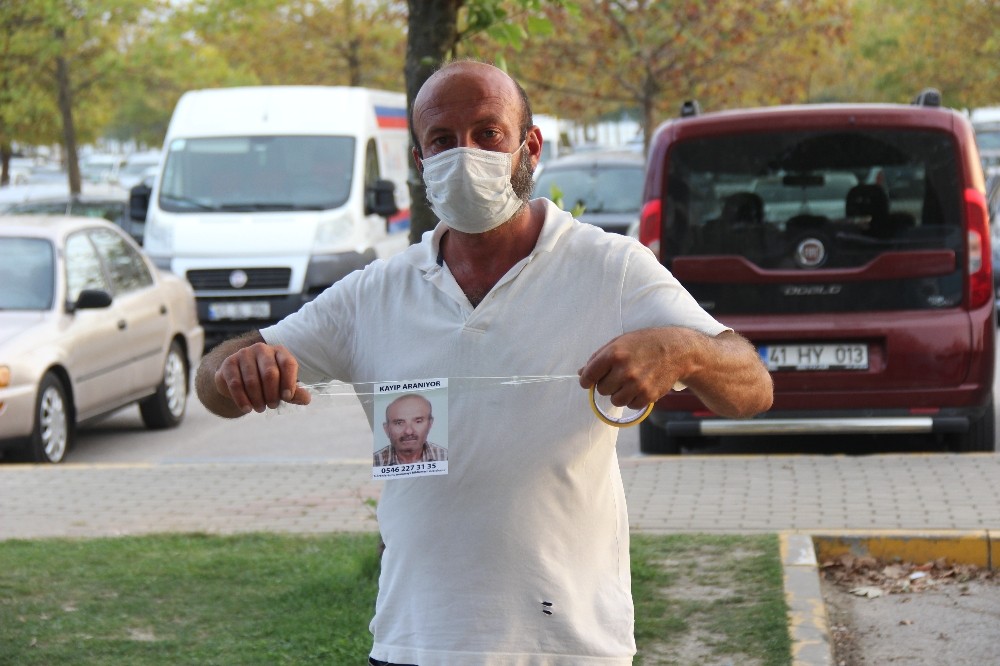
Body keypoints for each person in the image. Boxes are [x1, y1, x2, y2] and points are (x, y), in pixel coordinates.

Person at [195, 59, 773, 665]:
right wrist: (236, 370)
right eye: (442, 140)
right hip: (413, 645)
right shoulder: (374, 294)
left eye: (487, 133)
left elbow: (751, 387)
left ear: (530, 145)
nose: (464, 154)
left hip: (566, 647)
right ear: (420, 162)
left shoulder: (611, 269)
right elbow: (218, 382)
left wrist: (683, 349)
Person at [374, 393, 447, 466]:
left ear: (430, 424)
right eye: (399, 423)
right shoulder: (374, 463)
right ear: (386, 429)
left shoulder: (446, 458)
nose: (408, 431)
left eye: (418, 421)